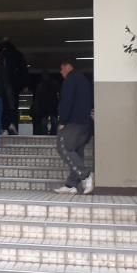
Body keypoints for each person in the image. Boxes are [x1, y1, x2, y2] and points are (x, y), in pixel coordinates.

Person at [54, 58, 94, 195]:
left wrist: (62, 121)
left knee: (63, 147)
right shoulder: (85, 80)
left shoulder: (71, 80)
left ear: (67, 66)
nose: (61, 72)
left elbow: (67, 101)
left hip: (73, 122)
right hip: (86, 123)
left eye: (61, 69)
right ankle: (71, 185)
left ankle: (86, 175)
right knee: (77, 152)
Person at [0, 37, 28, 135]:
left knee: (2, 106)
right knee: (13, 105)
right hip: (14, 84)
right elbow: (24, 69)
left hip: (1, 85)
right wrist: (25, 84)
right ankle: (13, 124)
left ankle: (4, 127)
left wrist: (1, 43)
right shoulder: (18, 54)